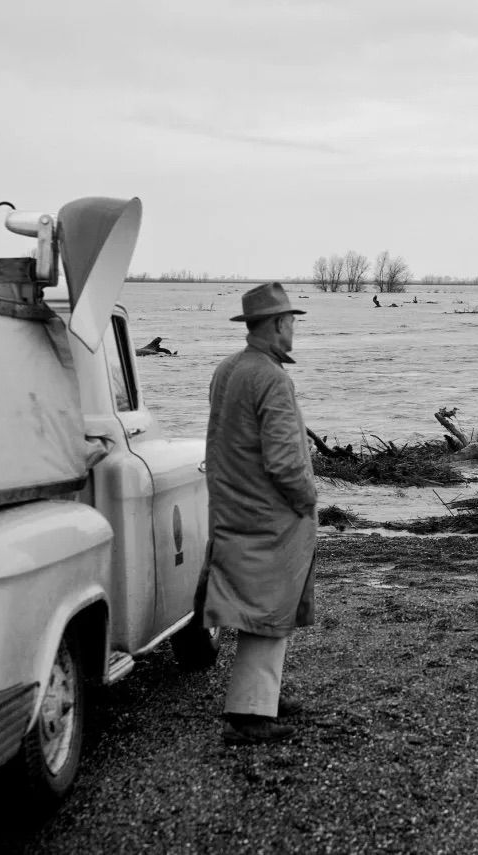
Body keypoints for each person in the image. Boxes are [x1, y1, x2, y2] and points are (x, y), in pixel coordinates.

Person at [201, 282, 317, 745]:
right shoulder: (271, 377)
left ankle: (261, 697)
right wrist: (306, 499)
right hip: (269, 514)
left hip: (233, 505)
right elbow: (286, 461)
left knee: (258, 607)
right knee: (269, 608)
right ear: (275, 325)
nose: (294, 328)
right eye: (290, 321)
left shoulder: (228, 368)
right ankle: (249, 714)